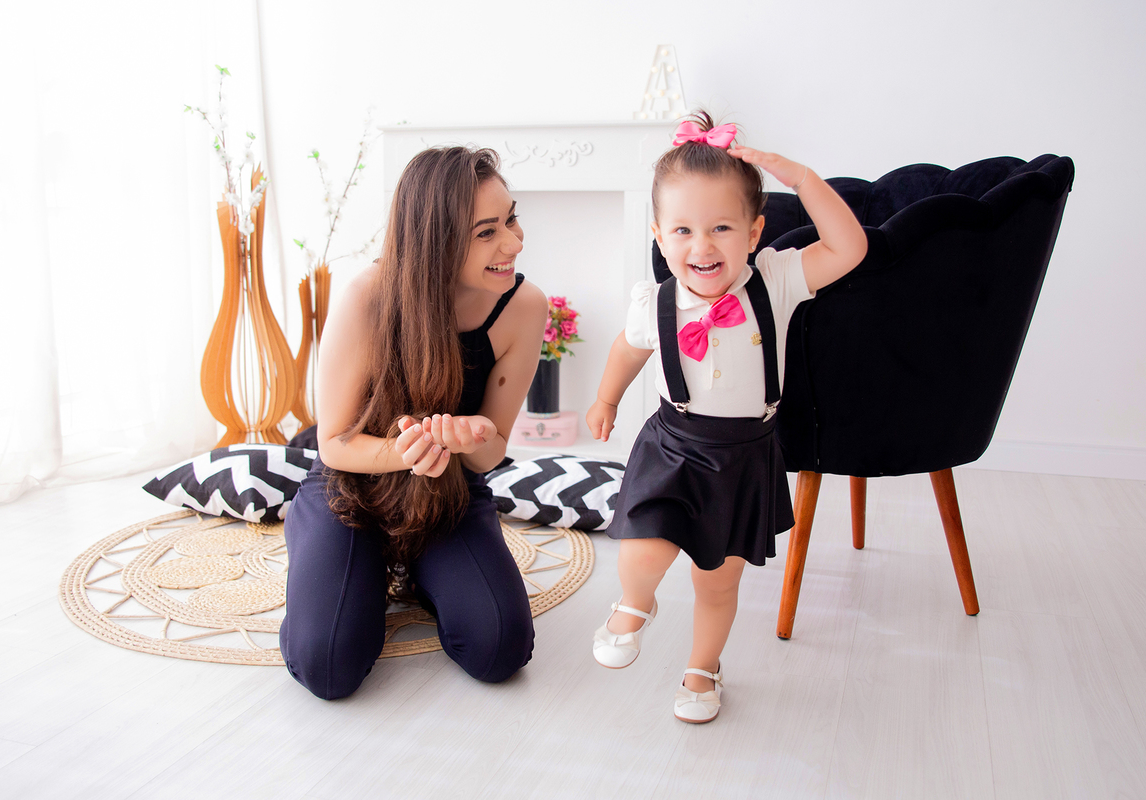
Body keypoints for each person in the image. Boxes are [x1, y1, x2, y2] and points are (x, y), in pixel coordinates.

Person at [585, 112, 867, 723]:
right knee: (641, 550)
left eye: (721, 227)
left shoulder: (777, 280)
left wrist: (795, 173)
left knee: (718, 581)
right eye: (683, 230)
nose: (702, 245)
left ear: (754, 231)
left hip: (744, 455)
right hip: (673, 445)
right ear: (659, 236)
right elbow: (628, 349)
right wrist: (606, 398)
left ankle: (702, 669)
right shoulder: (654, 301)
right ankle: (634, 605)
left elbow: (851, 246)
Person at [280, 146, 548, 700]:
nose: (514, 243)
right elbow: (333, 442)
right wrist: (408, 451)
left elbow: (490, 453)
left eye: (512, 219)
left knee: (500, 648)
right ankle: (330, 549)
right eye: (486, 232)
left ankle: (418, 570)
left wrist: (468, 440)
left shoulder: (524, 308)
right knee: (327, 664)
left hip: (448, 489)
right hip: (351, 485)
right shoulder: (366, 298)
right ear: (436, 240)